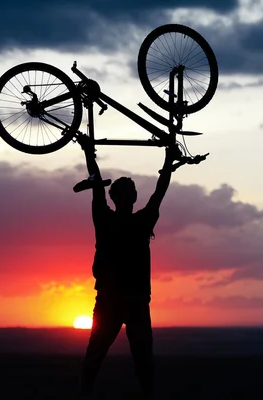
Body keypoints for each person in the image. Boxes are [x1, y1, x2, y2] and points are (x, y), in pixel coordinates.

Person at [76, 134, 178, 399]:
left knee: (103, 357)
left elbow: (98, 185)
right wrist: (168, 161)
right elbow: (159, 192)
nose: (124, 198)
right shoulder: (139, 221)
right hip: (122, 301)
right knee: (127, 359)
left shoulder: (109, 219)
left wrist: (89, 152)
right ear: (130, 198)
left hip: (125, 301)